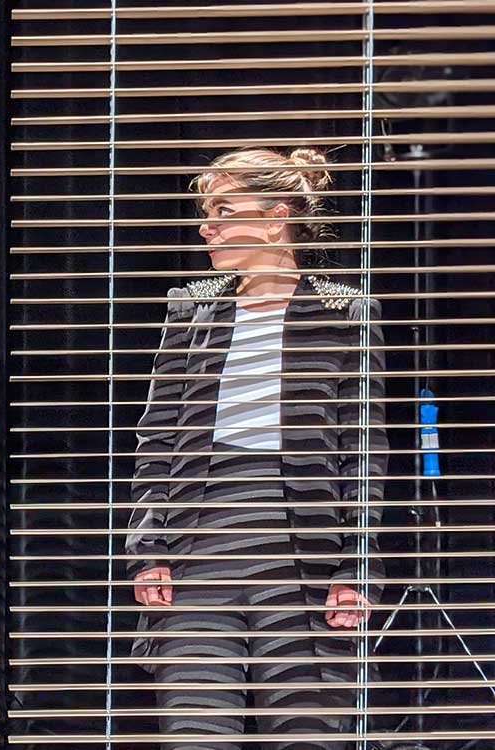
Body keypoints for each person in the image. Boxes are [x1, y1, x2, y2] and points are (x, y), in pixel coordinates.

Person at [126, 147, 388, 749]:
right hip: (197, 553)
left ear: (275, 218)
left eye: (223, 211)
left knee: (306, 734)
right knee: (196, 732)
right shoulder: (192, 308)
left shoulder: (345, 311)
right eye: (206, 213)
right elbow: (157, 437)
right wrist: (148, 548)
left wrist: (357, 565)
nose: (206, 228)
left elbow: (362, 449)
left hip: (304, 557)